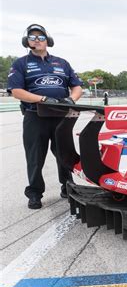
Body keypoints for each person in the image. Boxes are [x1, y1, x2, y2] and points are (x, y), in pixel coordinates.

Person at [7, 24, 83, 209]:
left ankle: (68, 187)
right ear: (27, 42)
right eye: (32, 37)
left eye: (41, 37)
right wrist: (42, 98)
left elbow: (77, 87)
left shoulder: (62, 63)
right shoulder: (21, 63)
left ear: (48, 40)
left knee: (64, 153)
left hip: (60, 116)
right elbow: (16, 91)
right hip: (35, 116)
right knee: (35, 157)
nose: (37, 40)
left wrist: (71, 100)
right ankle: (34, 193)